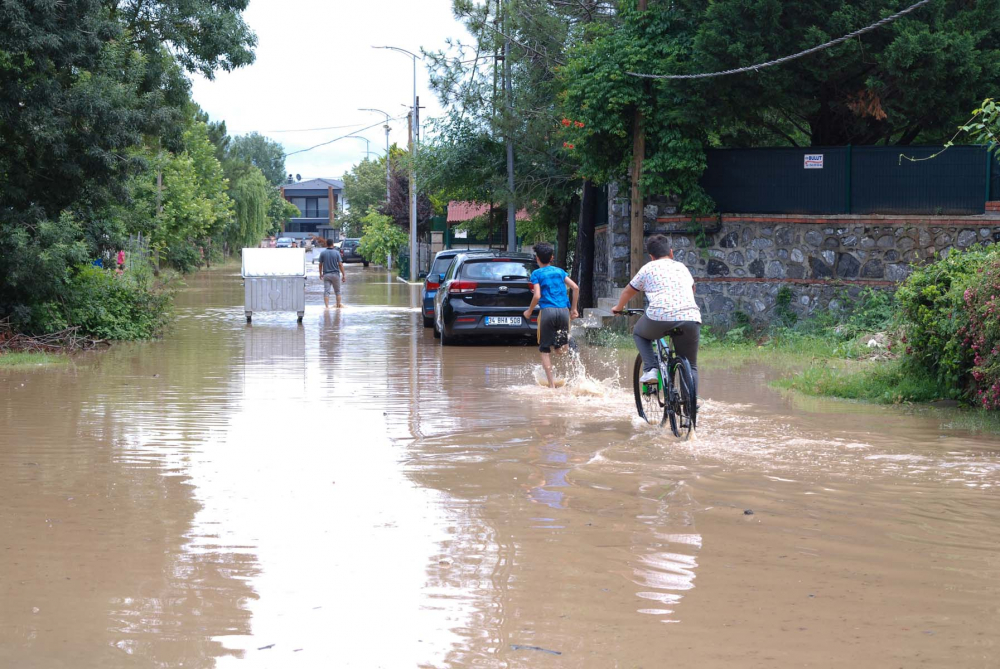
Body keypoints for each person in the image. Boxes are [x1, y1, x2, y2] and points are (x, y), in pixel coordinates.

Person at [611, 234, 701, 389]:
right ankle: (691, 406)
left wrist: (618, 308)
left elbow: (628, 291)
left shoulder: (647, 269)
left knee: (639, 333)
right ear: (671, 253)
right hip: (690, 316)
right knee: (691, 365)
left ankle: (651, 368)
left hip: (659, 316)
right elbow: (691, 289)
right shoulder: (682, 267)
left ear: (651, 256)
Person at [523, 242, 580, 388]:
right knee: (560, 350)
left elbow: (537, 296)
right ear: (552, 257)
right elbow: (575, 287)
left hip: (547, 312)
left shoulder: (536, 274)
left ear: (537, 259)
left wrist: (529, 311)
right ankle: (569, 345)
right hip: (563, 311)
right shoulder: (560, 272)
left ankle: (552, 387)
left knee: (545, 349)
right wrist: (573, 309)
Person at [318, 238, 346, 309]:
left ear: (326, 244)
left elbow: (320, 264)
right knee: (337, 292)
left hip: (326, 275)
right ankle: (338, 307)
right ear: (333, 244)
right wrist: (343, 275)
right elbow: (340, 264)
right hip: (336, 275)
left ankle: (327, 308)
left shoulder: (323, 253)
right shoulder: (336, 253)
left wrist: (320, 274)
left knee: (326, 292)